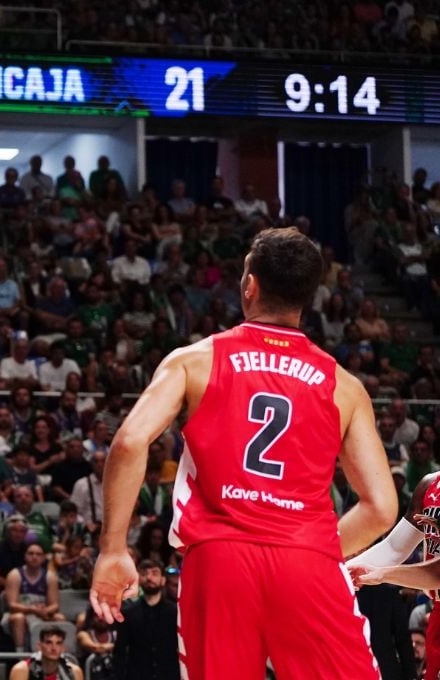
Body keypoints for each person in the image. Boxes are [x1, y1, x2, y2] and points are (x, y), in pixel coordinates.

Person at [90, 228, 397, 679]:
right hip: (306, 558)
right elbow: (381, 506)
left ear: (249, 285)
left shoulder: (194, 360)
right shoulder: (345, 386)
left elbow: (130, 441)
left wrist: (113, 548)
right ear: (307, 297)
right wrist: (315, 552)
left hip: (219, 559)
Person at [346, 469, 440, 677]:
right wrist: (338, 574)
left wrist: (383, 574)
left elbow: (437, 573)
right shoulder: (430, 485)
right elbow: (395, 548)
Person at [8, 626, 82, 680]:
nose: (54, 648)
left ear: (63, 648)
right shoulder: (22, 670)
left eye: (58, 643)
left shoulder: (74, 672)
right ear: (40, 646)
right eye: (49, 643)